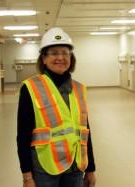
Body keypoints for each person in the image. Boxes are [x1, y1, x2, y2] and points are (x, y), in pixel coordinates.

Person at [17, 27, 96, 187]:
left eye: (65, 52)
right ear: (44, 59)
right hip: (45, 168)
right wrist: (27, 177)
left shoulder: (79, 89)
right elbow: (23, 135)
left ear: (71, 58)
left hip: (76, 166)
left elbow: (85, 131)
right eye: (54, 53)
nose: (60, 57)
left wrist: (91, 169)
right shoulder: (31, 88)